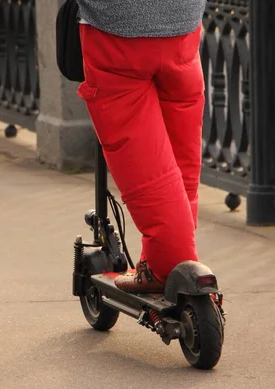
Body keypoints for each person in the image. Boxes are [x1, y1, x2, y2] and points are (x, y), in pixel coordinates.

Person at [76, 0, 207, 293]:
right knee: (179, 155)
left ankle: (169, 268)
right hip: (183, 24)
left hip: (116, 29)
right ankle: (161, 260)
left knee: (149, 171)